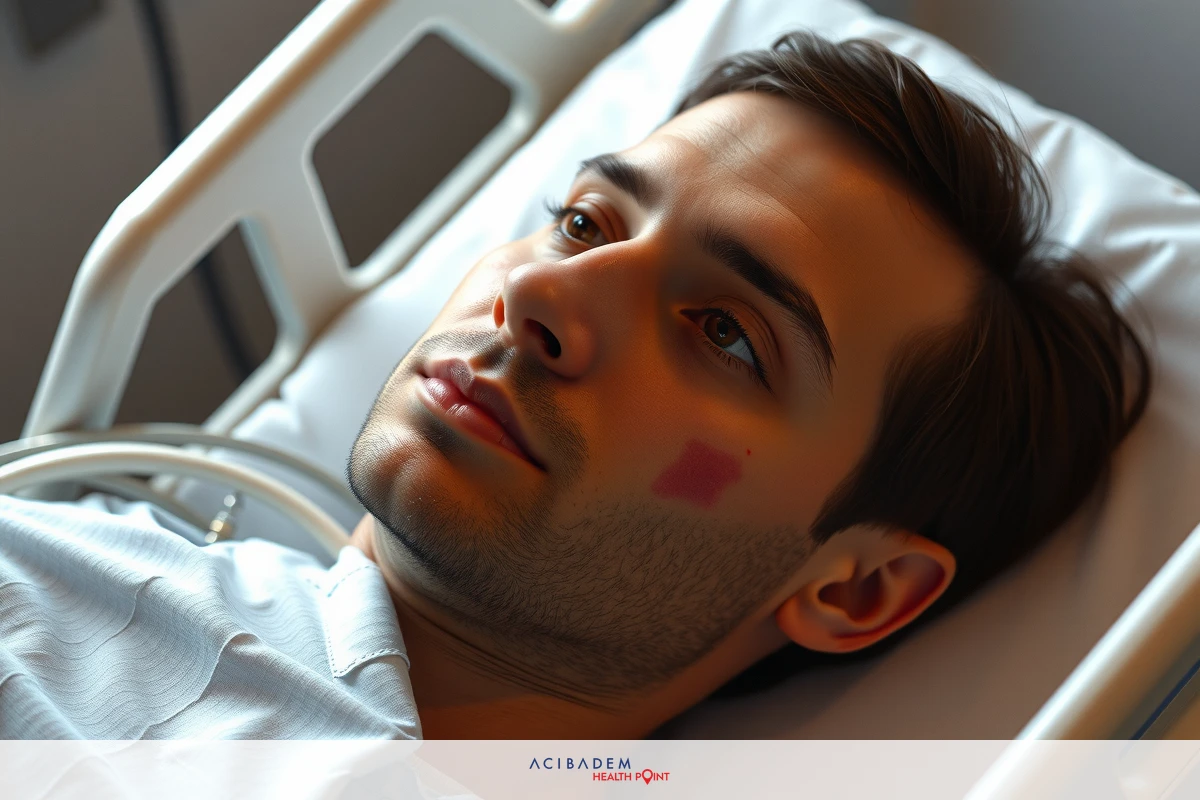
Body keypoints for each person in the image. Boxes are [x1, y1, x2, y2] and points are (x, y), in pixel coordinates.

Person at [0, 32, 1149, 740]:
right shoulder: (71, 553)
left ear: (856, 588)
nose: (547, 298)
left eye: (726, 334)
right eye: (583, 222)